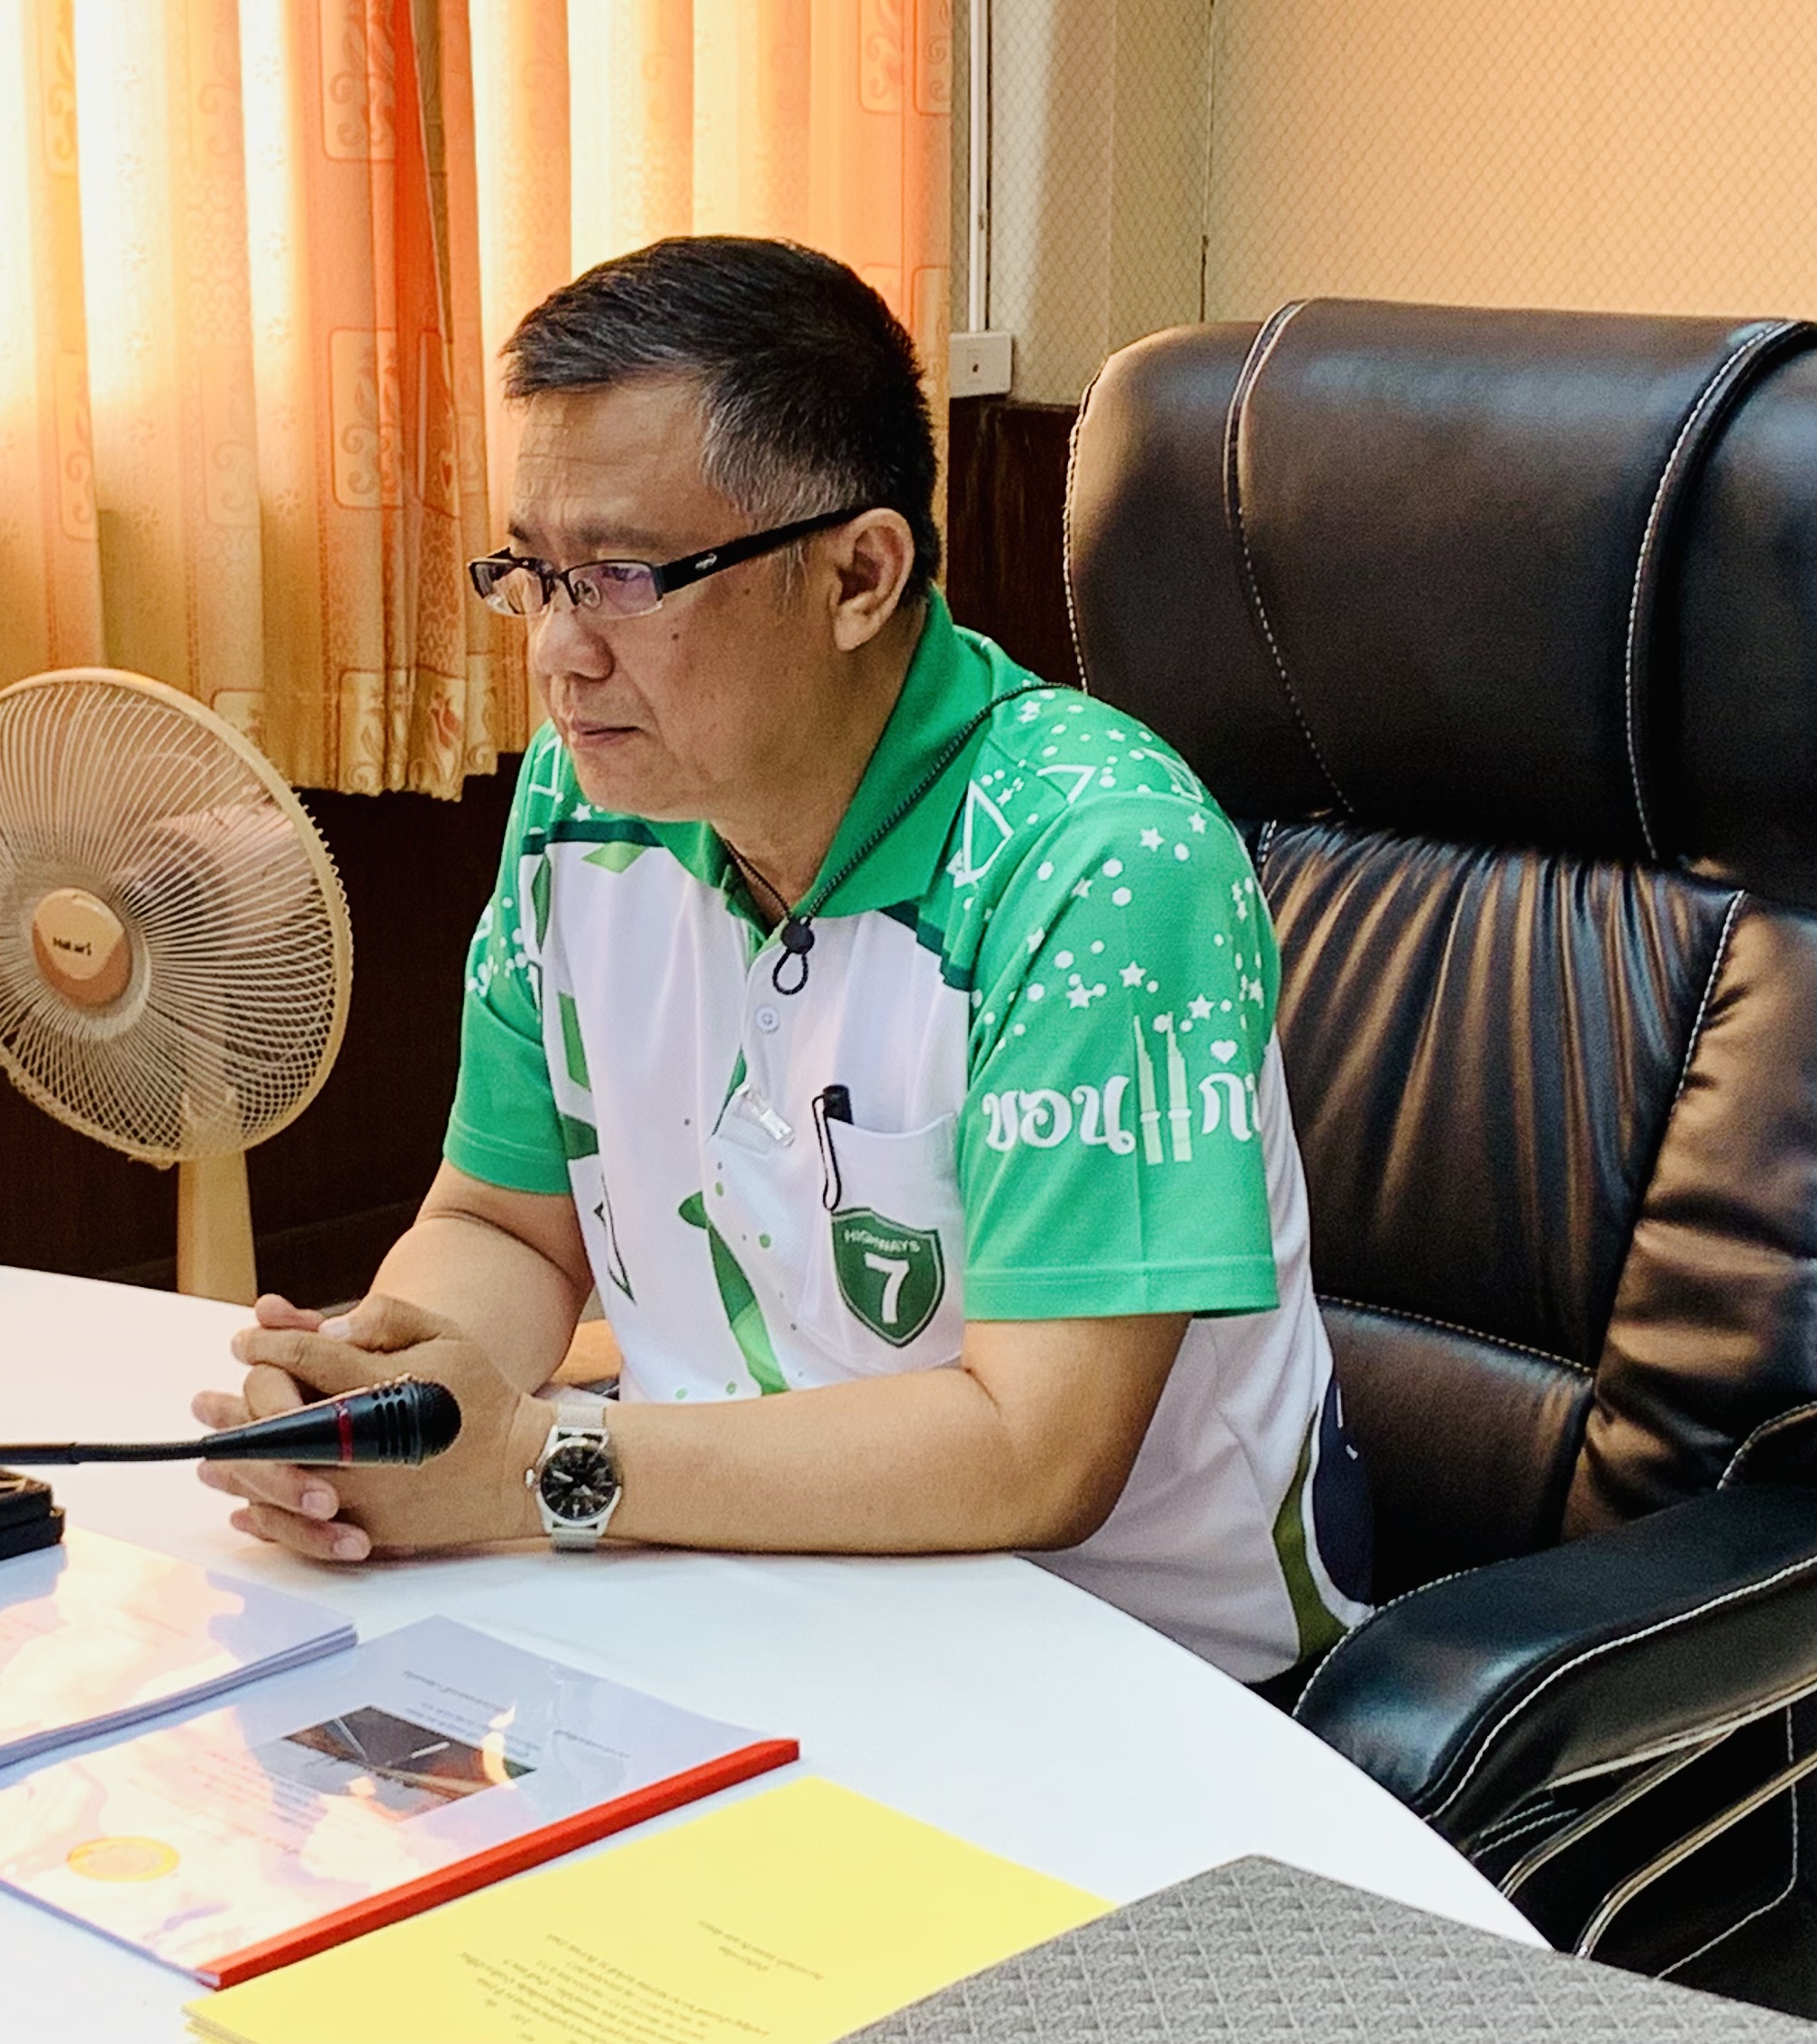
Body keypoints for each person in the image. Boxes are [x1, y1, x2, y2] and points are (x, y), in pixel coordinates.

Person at [195, 235, 1372, 1686]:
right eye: (535, 575)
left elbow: (1035, 1451)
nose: (559, 653)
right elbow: (508, 1228)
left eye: (623, 576)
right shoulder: (585, 801)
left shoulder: (1099, 863)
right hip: (722, 1588)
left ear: (859, 576)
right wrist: (395, 1403)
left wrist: (527, 1469)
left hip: (1134, 1675)